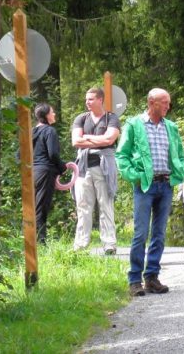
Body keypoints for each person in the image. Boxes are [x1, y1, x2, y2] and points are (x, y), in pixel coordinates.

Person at [116, 88, 184, 297]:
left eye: (168, 102)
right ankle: (134, 280)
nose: (168, 106)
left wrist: (180, 172)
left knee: (159, 233)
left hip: (166, 185)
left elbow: (180, 155)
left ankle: (152, 277)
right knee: (140, 233)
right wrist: (135, 176)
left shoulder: (171, 127)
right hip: (145, 186)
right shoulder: (134, 124)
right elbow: (122, 155)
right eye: (164, 102)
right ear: (151, 102)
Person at [70, 87, 121, 255]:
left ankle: (109, 244)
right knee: (83, 206)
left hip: (104, 167)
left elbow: (110, 139)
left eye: (91, 99)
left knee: (105, 204)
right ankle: (81, 244)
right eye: (86, 99)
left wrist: (87, 137)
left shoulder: (111, 118)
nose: (87, 102)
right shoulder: (81, 118)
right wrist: (99, 140)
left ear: (100, 100)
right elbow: (76, 142)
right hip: (83, 167)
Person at [32, 103, 67, 245]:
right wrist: (62, 167)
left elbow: (18, 155)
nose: (54, 114)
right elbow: (53, 154)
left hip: (31, 173)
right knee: (41, 208)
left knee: (31, 206)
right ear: (46, 115)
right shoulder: (50, 131)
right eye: (52, 112)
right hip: (45, 172)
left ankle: (30, 239)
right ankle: (40, 242)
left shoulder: (31, 131)